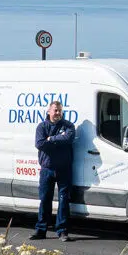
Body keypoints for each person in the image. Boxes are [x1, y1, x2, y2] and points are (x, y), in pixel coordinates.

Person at [33, 98, 76, 241]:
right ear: (49, 111)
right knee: (45, 199)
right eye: (55, 110)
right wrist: (58, 139)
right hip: (47, 169)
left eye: (60, 111)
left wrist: (50, 139)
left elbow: (68, 139)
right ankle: (41, 230)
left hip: (64, 169)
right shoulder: (41, 127)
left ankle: (62, 231)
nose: (58, 113)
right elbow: (40, 144)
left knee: (64, 200)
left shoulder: (68, 126)